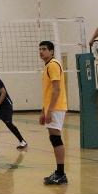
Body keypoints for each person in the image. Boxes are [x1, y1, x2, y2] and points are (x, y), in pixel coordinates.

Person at [39, 41, 68, 185]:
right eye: (40, 49)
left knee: (56, 139)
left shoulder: (53, 65)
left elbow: (57, 90)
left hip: (56, 108)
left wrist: (49, 110)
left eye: (44, 49)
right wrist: (43, 111)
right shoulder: (48, 66)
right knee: (54, 139)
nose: (41, 52)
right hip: (52, 108)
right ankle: (59, 172)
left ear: (51, 51)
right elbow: (48, 92)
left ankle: (61, 174)